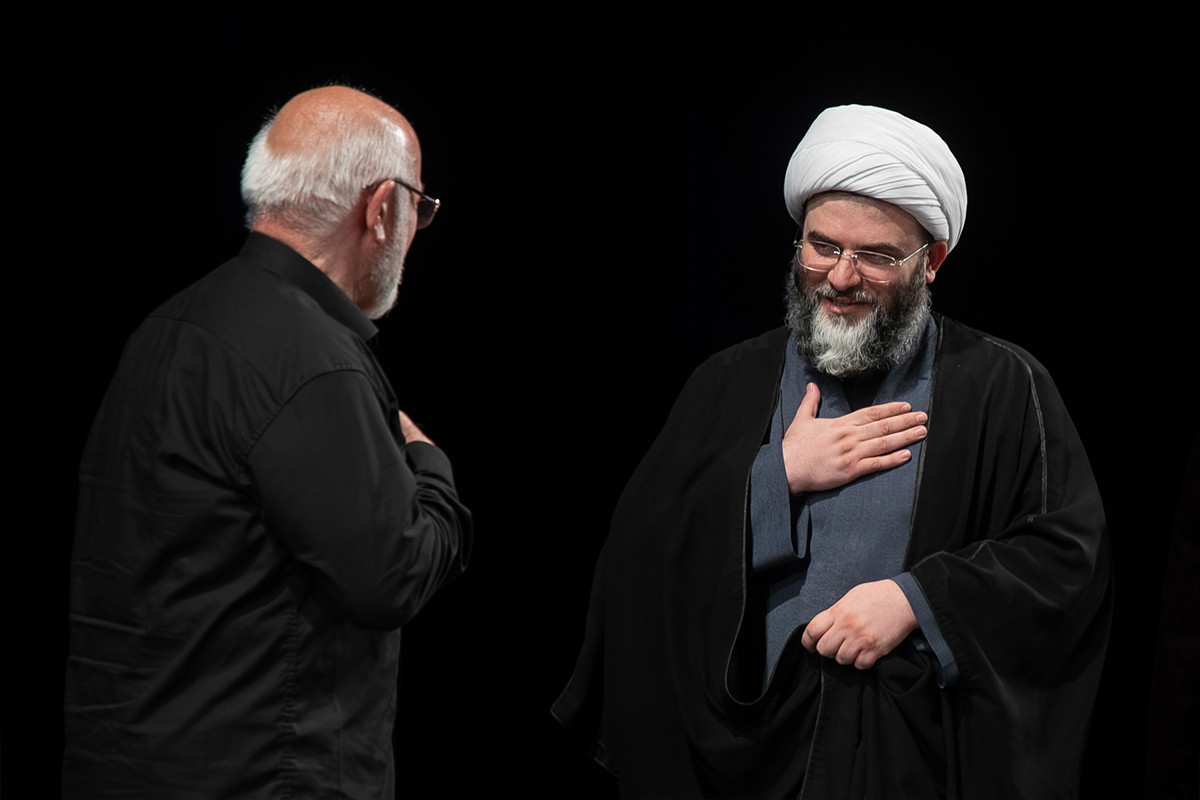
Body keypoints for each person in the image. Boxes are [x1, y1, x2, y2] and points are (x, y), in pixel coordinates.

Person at [553, 104, 1111, 798]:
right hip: (747, 753)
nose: (841, 277)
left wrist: (917, 600)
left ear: (932, 262)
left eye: (875, 256)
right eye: (822, 247)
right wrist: (776, 477)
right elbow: (639, 552)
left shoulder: (1001, 386)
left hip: (910, 759)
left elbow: (1065, 559)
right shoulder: (729, 381)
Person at [64, 86, 472, 798]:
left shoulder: (168, 327)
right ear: (381, 209)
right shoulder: (312, 359)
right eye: (420, 206)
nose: (417, 229)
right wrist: (429, 467)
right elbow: (392, 578)